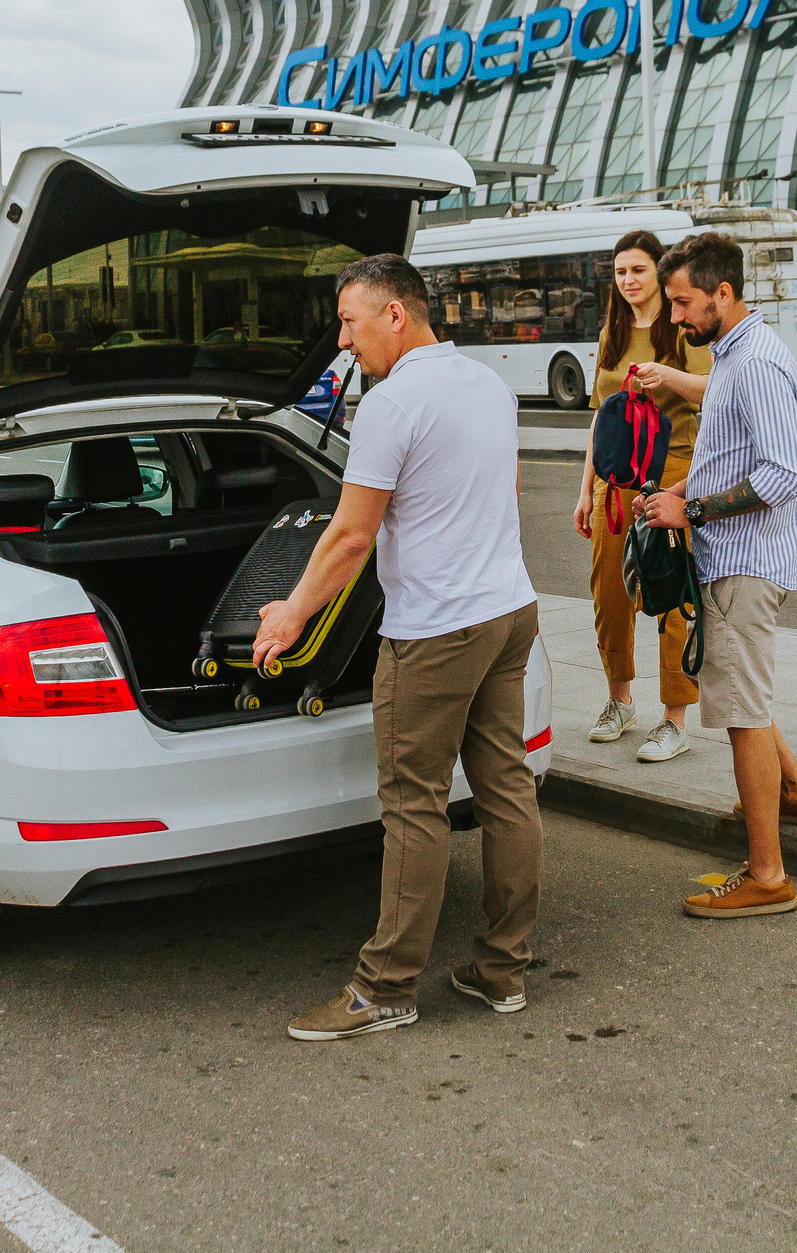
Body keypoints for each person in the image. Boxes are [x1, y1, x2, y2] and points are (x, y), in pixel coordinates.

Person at [268, 254, 540, 1042]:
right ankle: (503, 970)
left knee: (412, 804)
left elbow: (351, 534)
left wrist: (290, 613)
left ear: (396, 314)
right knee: (507, 789)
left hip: (435, 630)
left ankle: (384, 987)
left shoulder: (393, 405)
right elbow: (505, 487)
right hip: (507, 612)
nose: (343, 342)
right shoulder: (486, 383)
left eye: (350, 322)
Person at [642, 233, 797, 919]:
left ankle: (767, 874)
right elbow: (729, 456)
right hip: (732, 554)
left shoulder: (755, 364)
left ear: (723, 292)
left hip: (747, 561)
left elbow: (782, 473)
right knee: (742, 688)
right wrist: (679, 495)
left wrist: (691, 505)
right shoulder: (730, 356)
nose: (678, 317)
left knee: (741, 713)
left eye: (685, 302)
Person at [576, 230, 714, 763]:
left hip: (671, 473)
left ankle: (675, 716)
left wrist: (668, 375)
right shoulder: (611, 330)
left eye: (638, 270)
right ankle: (619, 700)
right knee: (610, 596)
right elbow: (598, 417)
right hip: (613, 481)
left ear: (660, 271)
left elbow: (714, 390)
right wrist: (585, 489)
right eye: (620, 272)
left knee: (670, 596)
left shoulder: (679, 329)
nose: (629, 281)